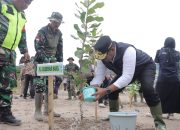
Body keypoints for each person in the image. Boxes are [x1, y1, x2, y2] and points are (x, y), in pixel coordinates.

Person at [86, 35, 166, 130]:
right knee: (112, 91)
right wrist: (91, 90)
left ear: (112, 49)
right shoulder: (102, 57)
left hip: (145, 67)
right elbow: (99, 76)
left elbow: (127, 77)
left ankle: (159, 123)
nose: (104, 60)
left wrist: (105, 90)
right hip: (125, 71)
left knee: (148, 89)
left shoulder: (128, 51)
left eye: (105, 57)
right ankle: (114, 116)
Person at [0, 0, 32, 126]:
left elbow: (22, 33)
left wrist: (24, 51)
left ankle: (4, 113)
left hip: (10, 54)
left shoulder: (22, 15)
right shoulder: (2, 5)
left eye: (29, 4)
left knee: (7, 84)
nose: (26, 6)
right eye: (25, 2)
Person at [33, 12, 63, 121]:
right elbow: (38, 47)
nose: (57, 24)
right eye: (55, 22)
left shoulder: (59, 33)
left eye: (59, 22)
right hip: (41, 61)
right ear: (51, 20)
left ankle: (48, 109)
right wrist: (46, 59)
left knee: (50, 84)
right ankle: (37, 111)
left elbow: (60, 49)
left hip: (52, 61)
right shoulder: (42, 31)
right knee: (40, 86)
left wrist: (59, 62)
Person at [155, 37, 180, 119]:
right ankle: (171, 114)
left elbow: (156, 61)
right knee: (173, 96)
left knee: (159, 96)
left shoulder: (159, 52)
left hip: (162, 78)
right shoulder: (178, 53)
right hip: (175, 79)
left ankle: (158, 113)